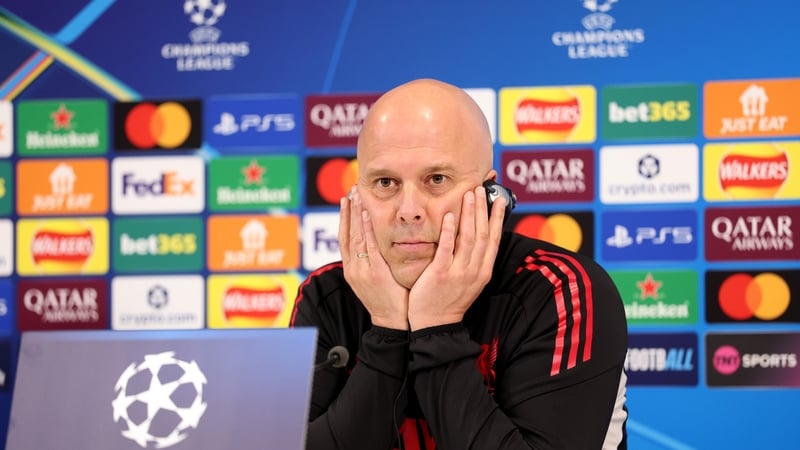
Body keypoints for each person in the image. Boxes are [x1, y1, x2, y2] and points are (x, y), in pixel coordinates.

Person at [290, 78, 629, 450]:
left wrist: (437, 327)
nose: (408, 212)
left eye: (436, 180)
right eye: (385, 182)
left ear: (490, 197)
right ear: (358, 197)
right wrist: (387, 331)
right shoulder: (326, 296)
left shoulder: (561, 292)